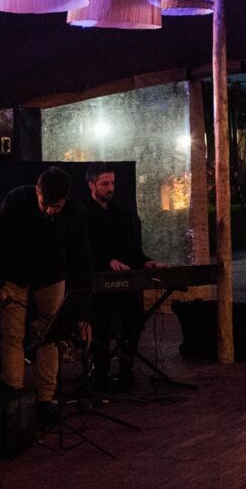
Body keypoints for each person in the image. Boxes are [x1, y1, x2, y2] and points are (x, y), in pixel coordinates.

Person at [0, 166, 91, 422]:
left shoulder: (75, 213)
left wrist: (82, 314)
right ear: (37, 190)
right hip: (15, 274)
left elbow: (81, 260)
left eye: (56, 206)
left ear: (66, 198)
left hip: (51, 276)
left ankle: (46, 399)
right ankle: (15, 397)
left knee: (50, 336)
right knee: (12, 333)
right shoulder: (16, 200)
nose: (49, 211)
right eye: (45, 204)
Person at [84, 165, 157, 391]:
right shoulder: (83, 213)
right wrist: (107, 261)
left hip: (124, 280)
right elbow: (83, 250)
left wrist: (145, 261)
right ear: (92, 185)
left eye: (112, 183)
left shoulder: (121, 212)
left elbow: (131, 248)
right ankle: (101, 373)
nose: (110, 188)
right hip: (98, 282)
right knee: (101, 325)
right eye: (105, 184)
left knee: (134, 318)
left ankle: (126, 370)